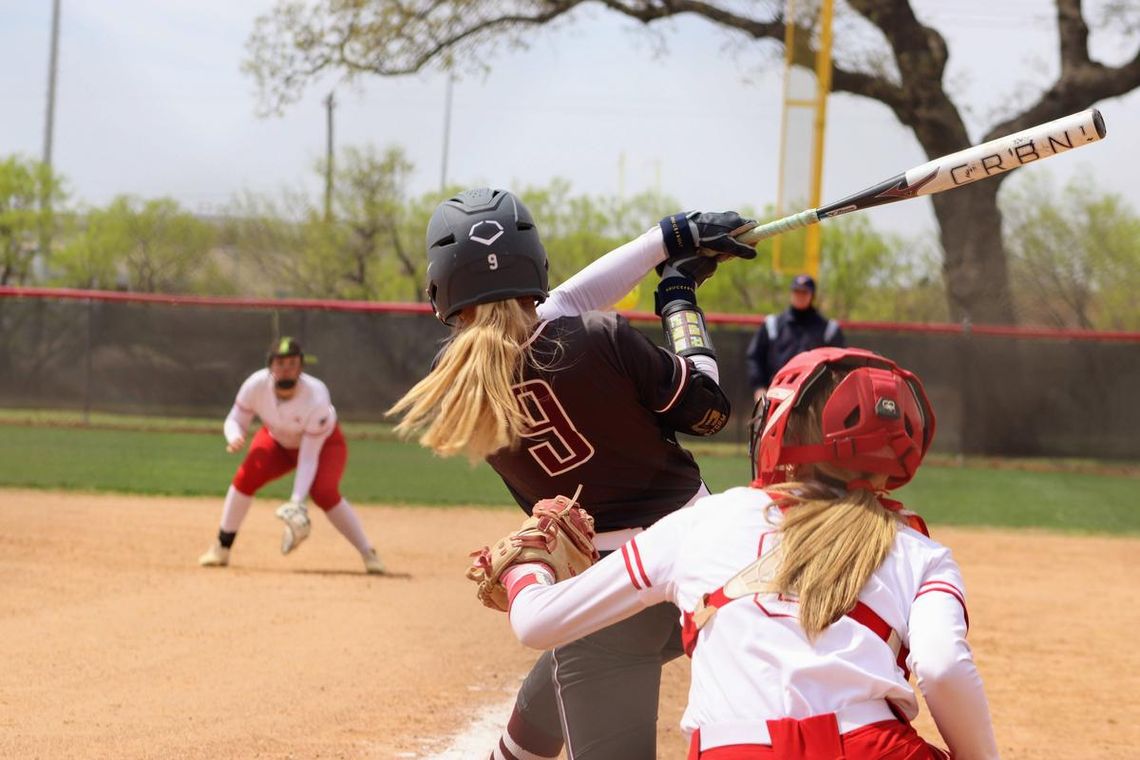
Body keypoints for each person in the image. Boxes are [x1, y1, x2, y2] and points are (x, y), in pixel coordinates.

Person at [388, 187, 757, 759]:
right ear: (534, 263)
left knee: (575, 655)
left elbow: (551, 312)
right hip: (703, 568)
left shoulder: (461, 387)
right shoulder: (597, 336)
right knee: (573, 668)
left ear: (441, 290)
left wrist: (669, 237)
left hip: (602, 597)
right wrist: (679, 296)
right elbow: (709, 408)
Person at [494, 346, 1000, 759]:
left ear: (781, 427)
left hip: (736, 750)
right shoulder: (919, 549)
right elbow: (942, 667)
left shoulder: (706, 520)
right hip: (874, 748)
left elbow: (538, 625)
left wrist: (528, 570)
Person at [198, 337, 385, 574]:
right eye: (280, 363)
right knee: (245, 477)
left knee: (324, 493)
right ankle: (221, 548)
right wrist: (234, 435)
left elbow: (308, 457)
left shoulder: (316, 395)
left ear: (301, 367)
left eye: (292, 364)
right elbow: (235, 418)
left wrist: (297, 501)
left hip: (324, 445)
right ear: (270, 366)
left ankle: (368, 553)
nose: (286, 370)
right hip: (277, 440)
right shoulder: (256, 385)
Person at [746, 274, 845, 402]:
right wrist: (759, 386)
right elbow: (755, 357)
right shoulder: (773, 324)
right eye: (796, 291)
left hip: (814, 399)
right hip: (777, 395)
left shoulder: (828, 330)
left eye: (804, 292)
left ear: (812, 295)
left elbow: (838, 367)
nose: (800, 295)